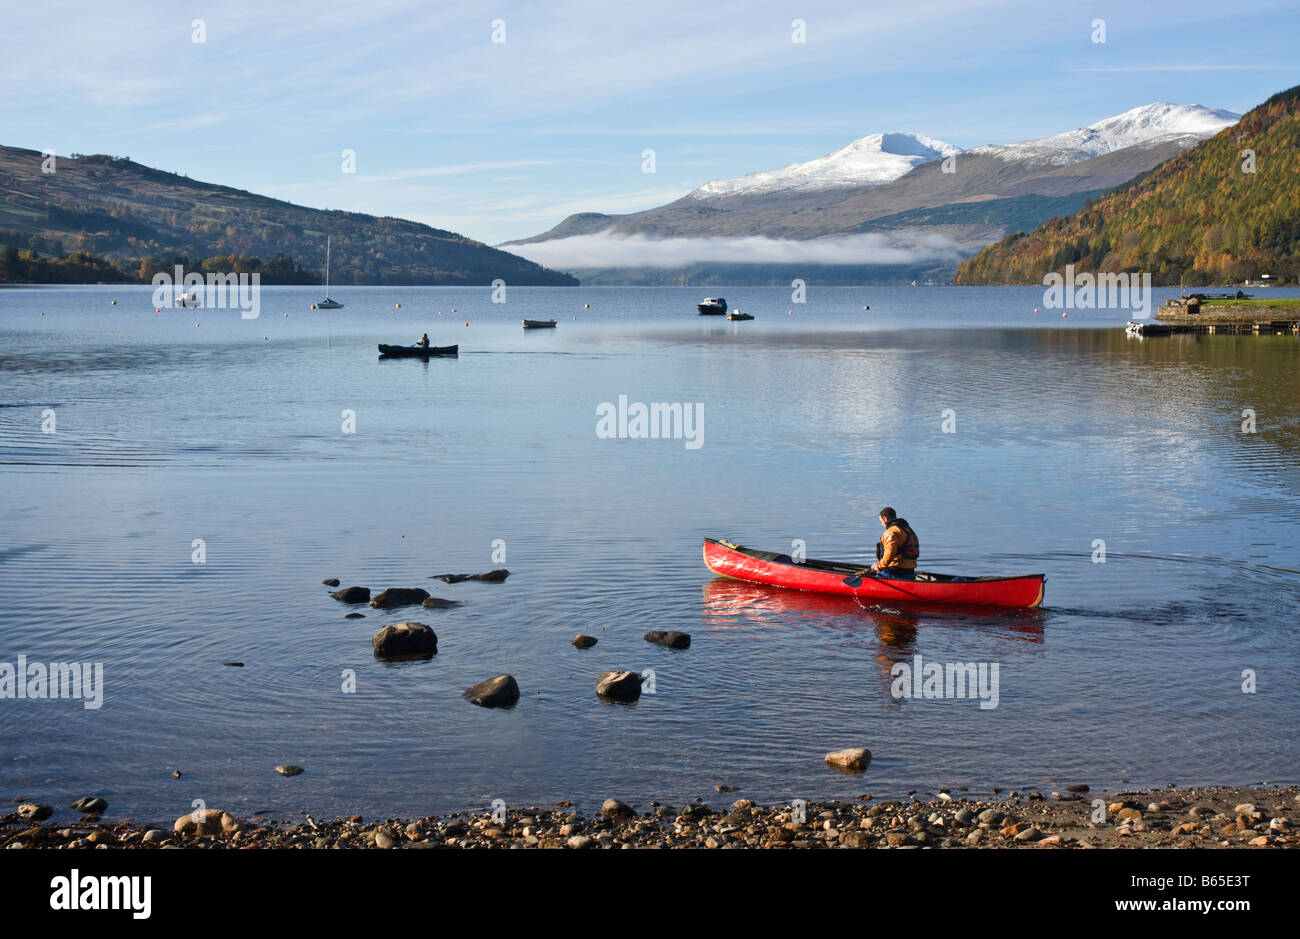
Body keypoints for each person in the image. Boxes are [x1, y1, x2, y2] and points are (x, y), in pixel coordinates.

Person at [868, 507, 919, 578]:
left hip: (894, 573)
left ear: (885, 519)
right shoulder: (907, 529)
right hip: (910, 572)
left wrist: (878, 566)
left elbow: (889, 553)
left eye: (881, 521)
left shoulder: (891, 532)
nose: (882, 524)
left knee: (876, 576)